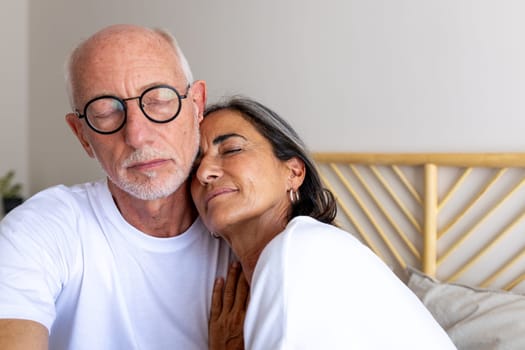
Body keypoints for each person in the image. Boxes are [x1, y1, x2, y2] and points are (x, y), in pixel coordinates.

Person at [0, 24, 246, 350]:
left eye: (158, 100)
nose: (137, 135)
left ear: (197, 105)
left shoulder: (248, 234)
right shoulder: (40, 229)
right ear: (81, 135)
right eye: (105, 111)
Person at [190, 97, 458, 349]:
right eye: (194, 165)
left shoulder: (299, 249)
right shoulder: (290, 262)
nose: (204, 172)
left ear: (294, 172)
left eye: (232, 149)